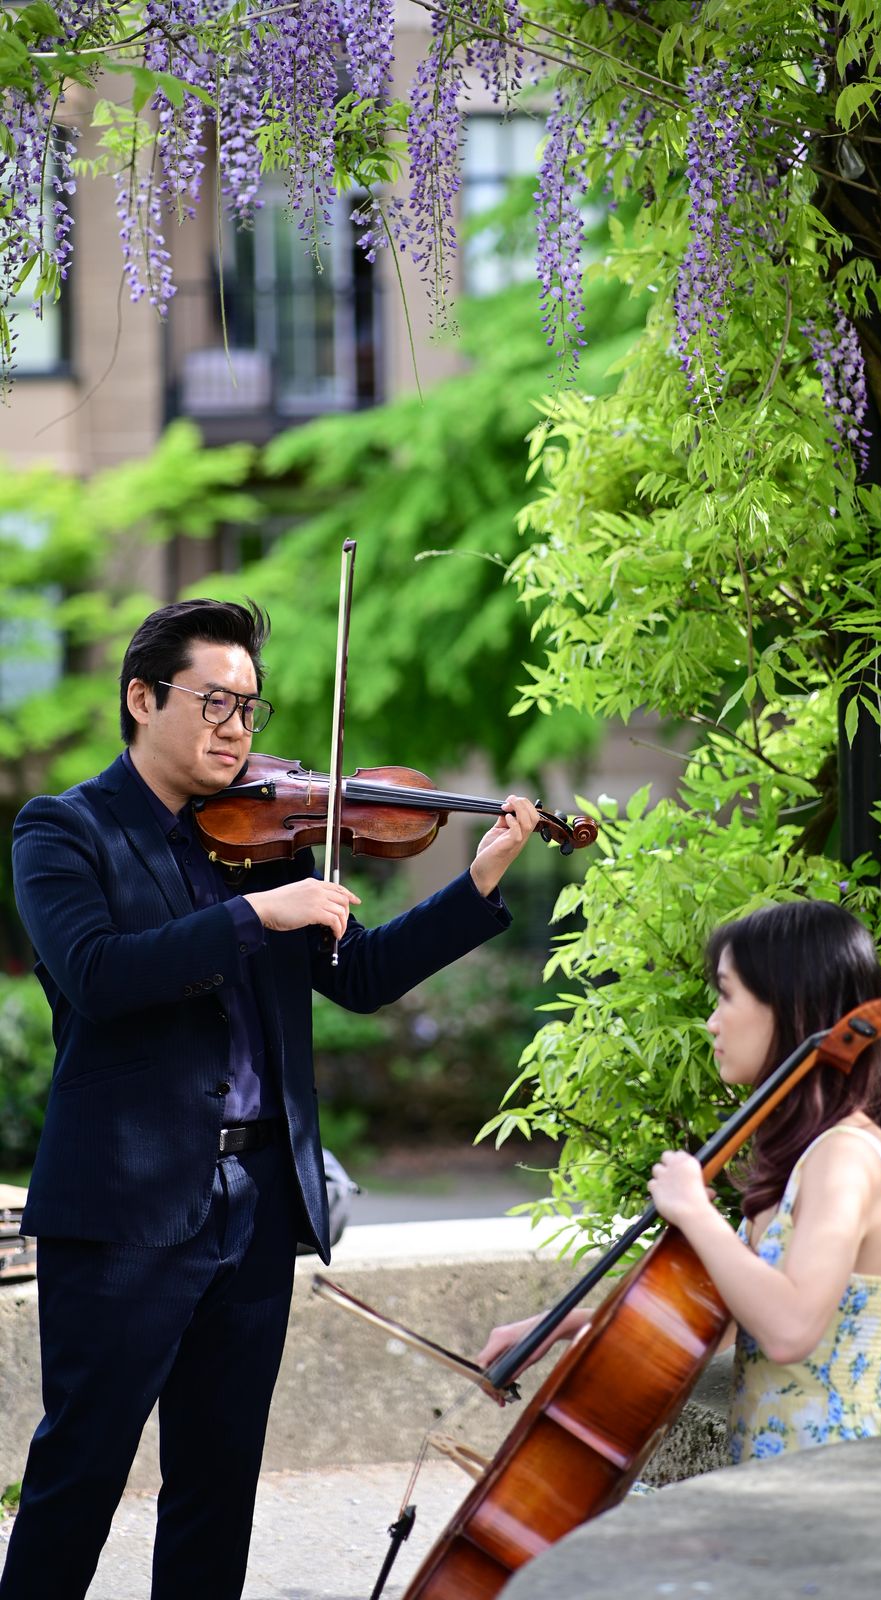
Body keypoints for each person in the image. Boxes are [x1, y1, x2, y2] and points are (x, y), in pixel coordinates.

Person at [1, 598, 540, 1600]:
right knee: (79, 1475)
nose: (237, 729)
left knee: (217, 1489)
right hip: (123, 1212)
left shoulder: (270, 835)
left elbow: (360, 975)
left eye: (250, 708)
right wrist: (256, 913)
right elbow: (98, 975)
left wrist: (475, 884)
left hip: (256, 1202)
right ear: (142, 698)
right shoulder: (64, 829)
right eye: (215, 703)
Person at [477, 899, 881, 1464]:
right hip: (780, 1482)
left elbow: (790, 1330)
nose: (713, 1021)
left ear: (790, 1004)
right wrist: (563, 1324)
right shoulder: (812, 1155)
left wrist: (695, 1212)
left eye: (727, 995)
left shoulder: (847, 1156)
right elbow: (734, 1326)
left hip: (834, 1484)